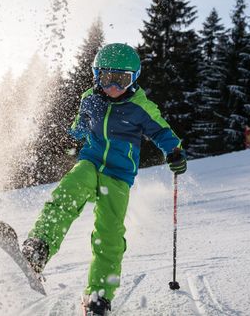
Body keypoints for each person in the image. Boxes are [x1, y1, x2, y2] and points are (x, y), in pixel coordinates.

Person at [20, 43, 187, 315]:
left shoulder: (139, 106)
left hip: (119, 175)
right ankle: (39, 248)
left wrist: (175, 151)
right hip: (91, 161)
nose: (112, 86)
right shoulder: (90, 98)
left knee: (109, 235)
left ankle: (99, 295)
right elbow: (78, 130)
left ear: (134, 78)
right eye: (105, 78)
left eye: (121, 80)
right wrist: (81, 125)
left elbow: (162, 132)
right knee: (67, 193)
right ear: (96, 75)